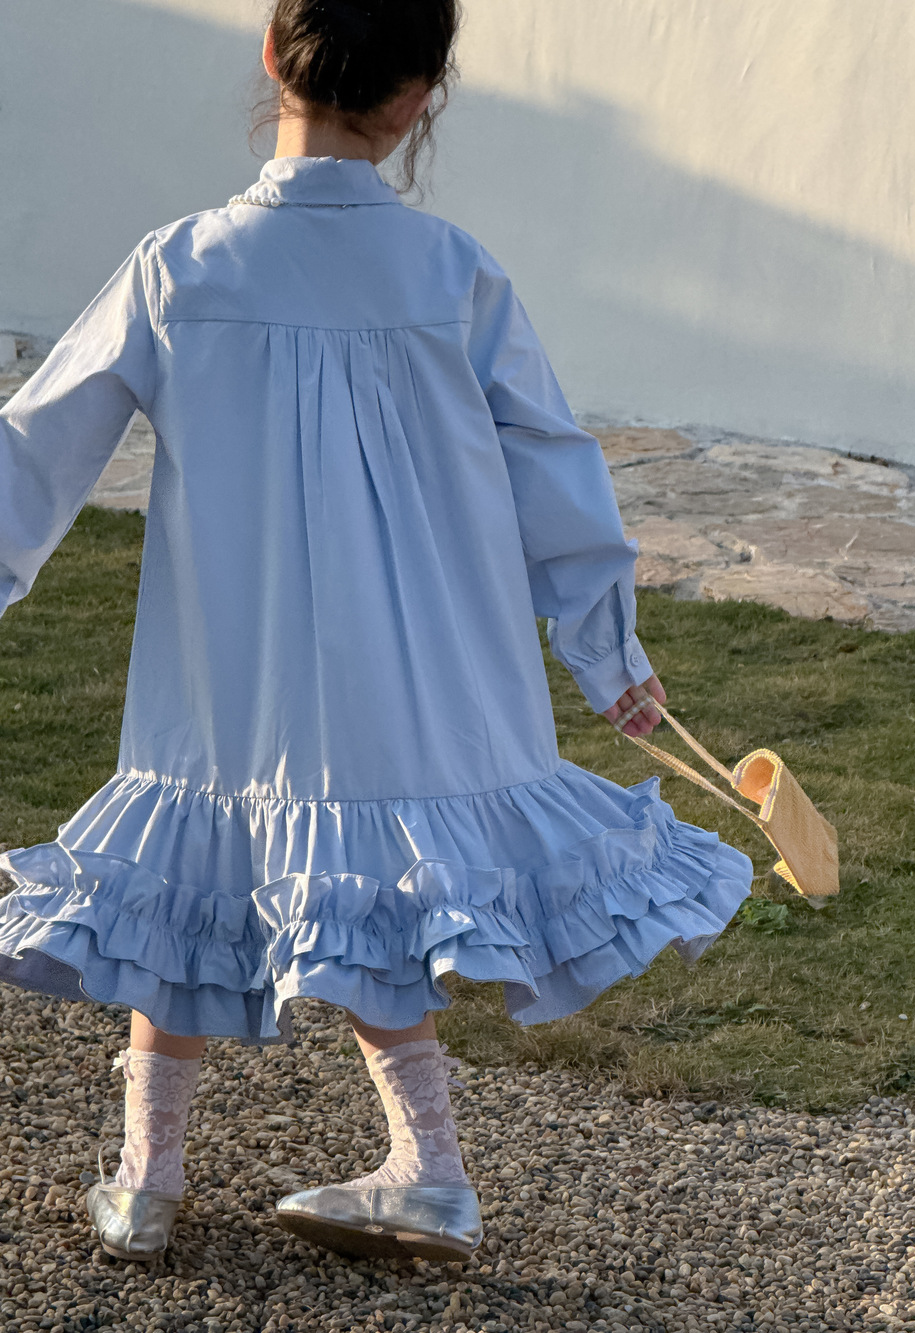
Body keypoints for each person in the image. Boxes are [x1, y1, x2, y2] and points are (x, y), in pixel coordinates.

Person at [0, 0, 753, 1265]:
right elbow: (554, 465)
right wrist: (605, 650)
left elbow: (34, 450)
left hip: (235, 667)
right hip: (413, 672)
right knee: (375, 900)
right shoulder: (451, 273)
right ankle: (430, 1170)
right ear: (418, 98)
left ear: (270, 57)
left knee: (185, 871)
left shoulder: (179, 267)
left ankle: (146, 1179)